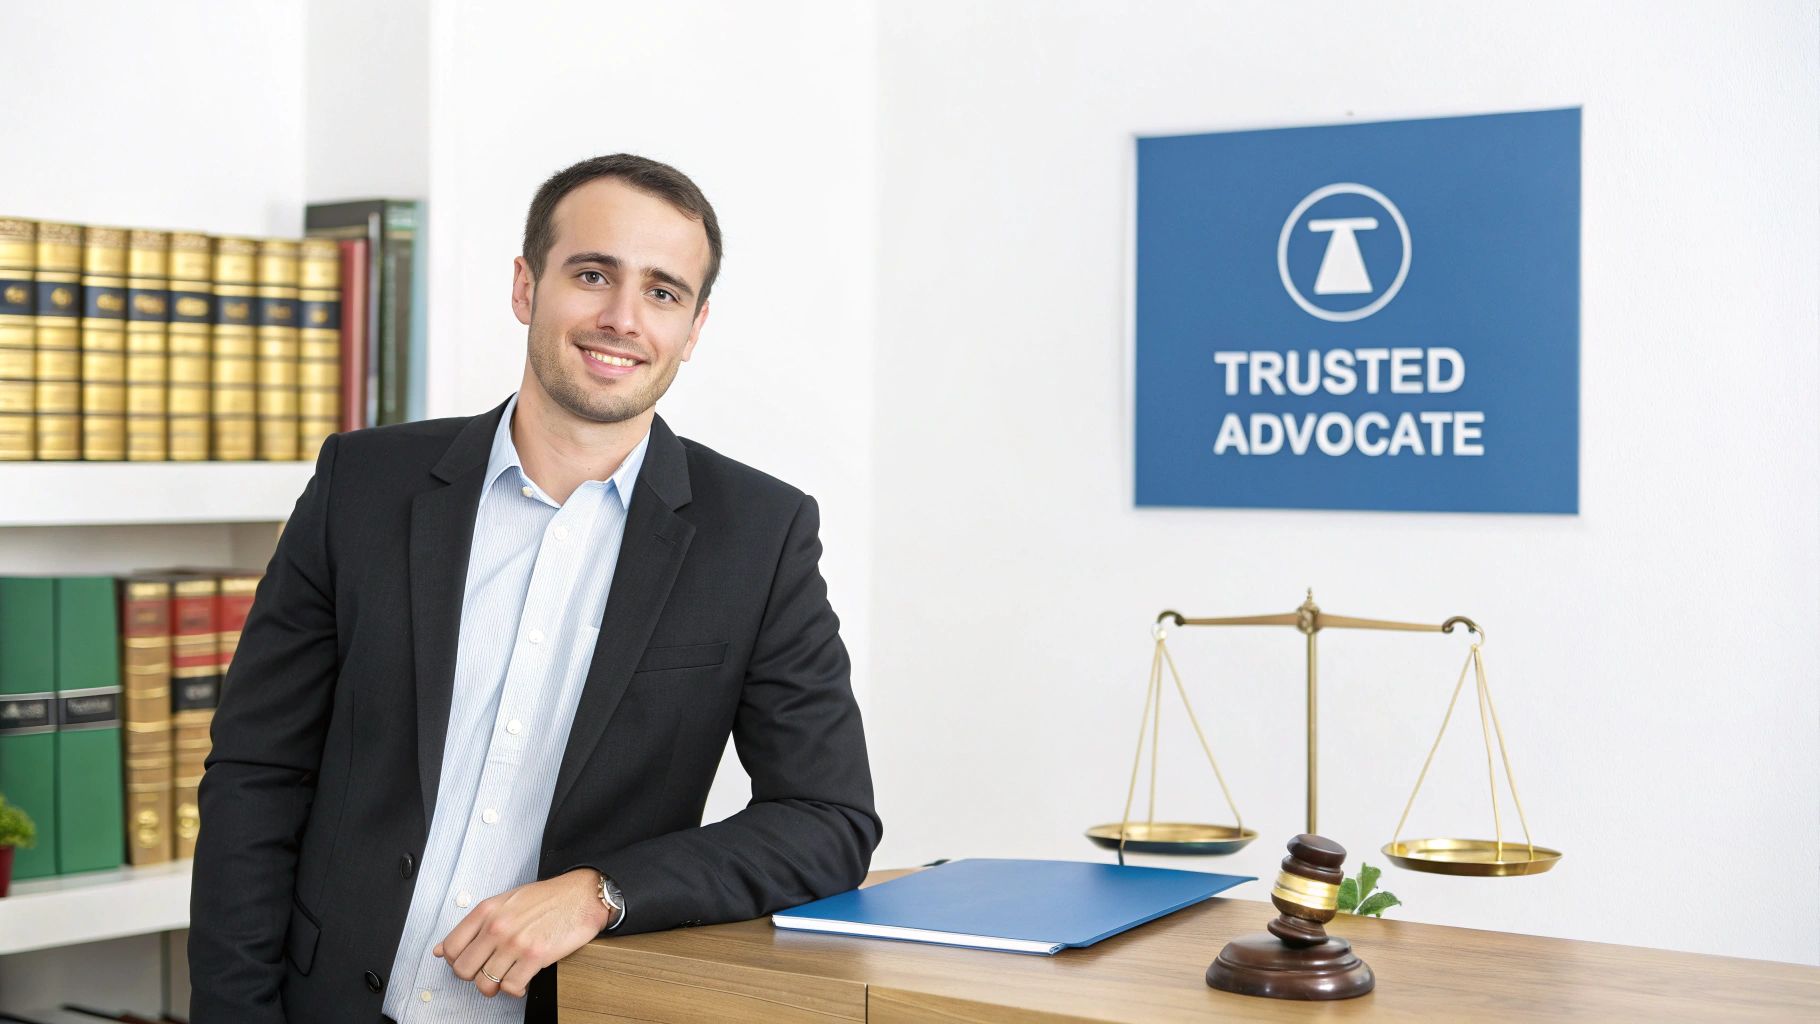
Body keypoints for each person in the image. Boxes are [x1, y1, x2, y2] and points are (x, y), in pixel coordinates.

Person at [188, 154, 881, 1024]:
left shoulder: (759, 534)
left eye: (663, 293)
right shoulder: (361, 485)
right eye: (593, 274)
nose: (622, 318)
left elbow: (827, 819)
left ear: (695, 326)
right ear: (526, 287)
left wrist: (603, 892)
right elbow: (257, 771)